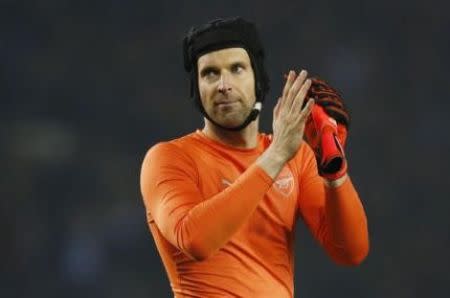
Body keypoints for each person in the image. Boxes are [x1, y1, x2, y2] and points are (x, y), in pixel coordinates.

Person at [140, 17, 369, 297]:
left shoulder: (294, 156)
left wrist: (334, 170)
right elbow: (195, 240)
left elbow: (350, 252)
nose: (223, 84)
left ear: (258, 78)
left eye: (237, 69)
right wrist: (275, 156)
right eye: (210, 73)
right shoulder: (170, 157)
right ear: (197, 89)